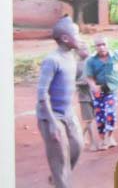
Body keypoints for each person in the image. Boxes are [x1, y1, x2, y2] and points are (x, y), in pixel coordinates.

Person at [36, 16, 84, 188]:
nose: (80, 38)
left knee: (77, 146)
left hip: (67, 113)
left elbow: (75, 77)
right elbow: (42, 94)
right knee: (60, 159)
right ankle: (60, 180)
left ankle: (57, 178)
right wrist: (52, 123)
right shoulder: (52, 60)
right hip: (51, 115)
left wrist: (84, 58)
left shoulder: (71, 56)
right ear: (65, 38)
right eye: (77, 34)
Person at [84, 35, 118, 149]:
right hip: (99, 91)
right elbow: (89, 76)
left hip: (112, 89)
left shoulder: (115, 55)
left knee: (110, 113)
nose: (102, 47)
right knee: (100, 116)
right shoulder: (91, 61)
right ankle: (103, 139)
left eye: (104, 44)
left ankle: (109, 137)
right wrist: (93, 86)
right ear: (95, 47)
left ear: (108, 45)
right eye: (99, 45)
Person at [74, 45, 98, 151]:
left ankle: (80, 136)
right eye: (81, 49)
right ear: (77, 52)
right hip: (84, 96)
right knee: (89, 120)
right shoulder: (76, 65)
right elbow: (72, 81)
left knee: (97, 118)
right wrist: (81, 83)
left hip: (96, 95)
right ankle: (92, 142)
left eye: (86, 48)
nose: (85, 51)